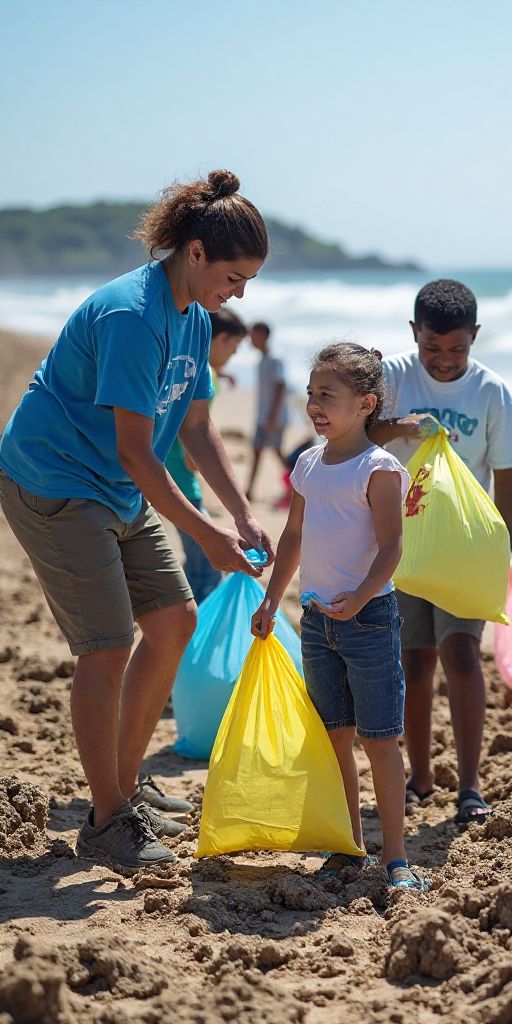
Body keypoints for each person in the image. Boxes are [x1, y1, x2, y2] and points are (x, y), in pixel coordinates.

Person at [0, 170, 274, 872]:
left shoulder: (192, 319)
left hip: (117, 488)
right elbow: (133, 450)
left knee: (175, 621)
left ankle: (121, 790)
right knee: (107, 645)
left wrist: (238, 511)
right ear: (195, 254)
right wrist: (205, 533)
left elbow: (198, 430)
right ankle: (106, 818)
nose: (239, 293)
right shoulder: (133, 316)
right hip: (55, 480)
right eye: (234, 277)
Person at [251, 342, 427, 890]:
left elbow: (392, 547)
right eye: (311, 395)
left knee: (379, 740)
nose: (315, 405)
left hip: (369, 620)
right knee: (334, 740)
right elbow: (295, 535)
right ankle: (349, 845)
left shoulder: (379, 468)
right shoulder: (307, 462)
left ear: (367, 403)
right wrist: (270, 598)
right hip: (316, 622)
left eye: (328, 395)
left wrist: (359, 597)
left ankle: (395, 857)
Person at [369, 279, 512, 824]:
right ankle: (420, 777)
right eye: (431, 348)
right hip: (400, 543)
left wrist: (502, 553)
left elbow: (506, 479)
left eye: (457, 349)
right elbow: (356, 432)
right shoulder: (392, 375)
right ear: (413, 333)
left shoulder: (490, 392)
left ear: (476, 337)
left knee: (460, 654)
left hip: (466, 549)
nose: (443, 361)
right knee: (413, 662)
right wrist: (403, 426)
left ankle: (469, 786)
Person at [165, 307, 249, 604]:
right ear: (222, 338)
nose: (233, 356)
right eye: (234, 349)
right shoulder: (206, 377)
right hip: (181, 481)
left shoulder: (186, 365)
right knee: (206, 569)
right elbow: (193, 432)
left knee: (196, 562)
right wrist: (196, 464)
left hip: (162, 473)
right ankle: (193, 637)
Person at [245, 321, 289, 501]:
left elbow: (281, 386)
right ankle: (249, 490)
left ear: (263, 335)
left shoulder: (274, 358)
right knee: (257, 450)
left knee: (276, 451)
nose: (251, 340)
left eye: (253, 335)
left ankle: (299, 483)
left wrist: (272, 415)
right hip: (263, 416)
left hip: (273, 417)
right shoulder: (262, 359)